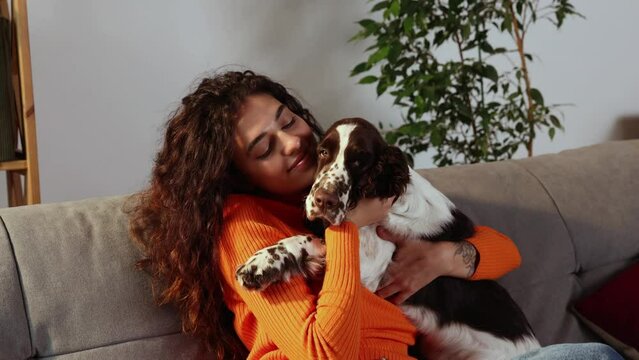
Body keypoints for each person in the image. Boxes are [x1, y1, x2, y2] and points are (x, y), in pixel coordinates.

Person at [128, 70, 621, 360]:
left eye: (288, 120)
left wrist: (441, 258)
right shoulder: (246, 225)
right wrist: (347, 223)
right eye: (264, 147)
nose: (294, 140)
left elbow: (504, 250)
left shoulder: (339, 192)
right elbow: (322, 349)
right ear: (236, 174)